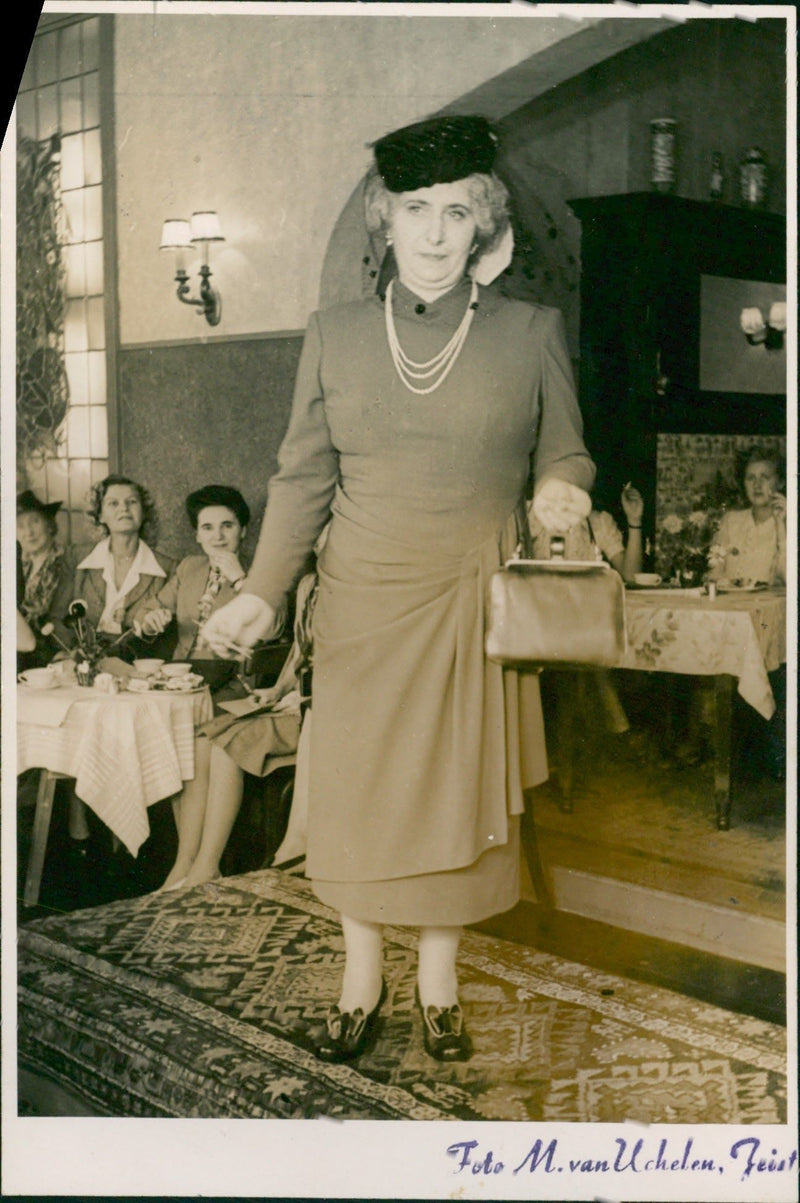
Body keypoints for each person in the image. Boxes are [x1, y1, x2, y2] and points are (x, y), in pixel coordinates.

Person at [201, 115, 595, 1064]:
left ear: (483, 223)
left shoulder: (531, 332)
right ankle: (359, 979)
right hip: (362, 608)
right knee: (364, 801)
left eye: (455, 211)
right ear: (386, 217)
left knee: (454, 804)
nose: (433, 231)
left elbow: (568, 449)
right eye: (415, 209)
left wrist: (560, 490)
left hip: (471, 605)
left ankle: (440, 984)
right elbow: (301, 481)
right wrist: (262, 589)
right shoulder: (333, 334)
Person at [155, 570, 316, 892]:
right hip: (294, 702)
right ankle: (184, 863)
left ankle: (207, 867)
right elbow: (299, 653)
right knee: (202, 740)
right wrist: (279, 689)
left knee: (227, 748)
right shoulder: (309, 585)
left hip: (322, 712)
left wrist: (303, 696)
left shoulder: (355, 589)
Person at [529, 482, 644, 753]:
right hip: (536, 626)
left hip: (583, 628)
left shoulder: (596, 523)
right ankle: (617, 730)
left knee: (592, 650)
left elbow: (630, 575)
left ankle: (606, 735)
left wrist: (635, 522)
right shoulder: (530, 517)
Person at [135, 484, 258, 688]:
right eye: (207, 527)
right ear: (197, 536)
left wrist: (239, 579)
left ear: (243, 531)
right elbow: (145, 612)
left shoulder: (261, 572)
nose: (217, 536)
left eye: (227, 526)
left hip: (233, 685)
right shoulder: (189, 567)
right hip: (180, 680)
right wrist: (150, 621)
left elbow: (275, 627)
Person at [49, 474, 176, 658]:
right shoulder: (76, 558)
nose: (124, 508)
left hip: (137, 666)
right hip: (81, 664)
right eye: (113, 503)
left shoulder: (168, 568)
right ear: (100, 515)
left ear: (143, 512)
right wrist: (71, 653)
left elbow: (166, 637)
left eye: (132, 502)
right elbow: (57, 618)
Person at [709, 445, 787, 586]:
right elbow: (713, 572)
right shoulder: (730, 520)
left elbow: (790, 579)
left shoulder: (789, 525)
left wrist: (782, 526)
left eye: (765, 477)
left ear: (780, 482)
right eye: (751, 478)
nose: (757, 485)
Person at [16, 489, 68, 664]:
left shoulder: (62, 562)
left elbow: (42, 614)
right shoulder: (23, 564)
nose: (29, 532)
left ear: (49, 525)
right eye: (20, 526)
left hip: (52, 650)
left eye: (34, 522)